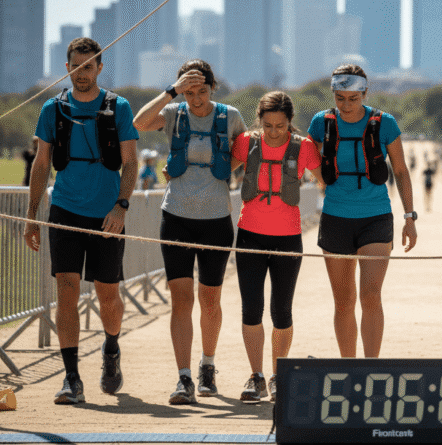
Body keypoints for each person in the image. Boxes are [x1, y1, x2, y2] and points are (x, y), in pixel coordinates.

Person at [24, 37, 139, 404]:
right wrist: (32, 216)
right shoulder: (52, 109)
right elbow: (41, 164)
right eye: (75, 66)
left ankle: (111, 347)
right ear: (67, 67)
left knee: (108, 295)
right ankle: (71, 377)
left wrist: (121, 206)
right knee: (67, 291)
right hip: (66, 211)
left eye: (88, 67)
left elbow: (131, 161)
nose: (81, 73)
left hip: (107, 215)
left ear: (100, 68)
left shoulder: (118, 107)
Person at [132, 59, 247, 404]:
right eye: (189, 91)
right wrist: (171, 92)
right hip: (177, 216)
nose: (195, 99)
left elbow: (245, 151)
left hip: (215, 218)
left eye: (201, 91)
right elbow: (138, 123)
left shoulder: (231, 116)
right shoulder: (175, 113)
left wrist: (225, 167)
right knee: (181, 300)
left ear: (213, 88)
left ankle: (207, 366)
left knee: (210, 299)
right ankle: (183, 378)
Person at [307, 64, 417, 358]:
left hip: (375, 217)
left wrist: (409, 217)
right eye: (340, 98)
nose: (346, 105)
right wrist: (322, 182)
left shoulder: (385, 123)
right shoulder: (321, 123)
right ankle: (348, 367)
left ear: (365, 93)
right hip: (335, 217)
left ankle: (371, 367)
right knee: (343, 302)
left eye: (353, 99)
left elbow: (402, 172)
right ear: (333, 94)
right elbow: (309, 159)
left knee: (370, 297)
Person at [230, 91, 323, 402]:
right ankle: (255, 376)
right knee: (251, 309)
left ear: (290, 123)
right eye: (267, 125)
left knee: (281, 311)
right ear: (260, 121)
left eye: (280, 126)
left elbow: (325, 183)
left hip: (287, 237)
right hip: (249, 235)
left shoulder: (305, 147)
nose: (273, 132)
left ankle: (276, 376)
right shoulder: (246, 142)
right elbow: (220, 173)